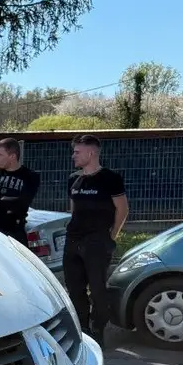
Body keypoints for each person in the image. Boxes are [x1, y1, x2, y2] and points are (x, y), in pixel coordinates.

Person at [62, 135, 128, 345]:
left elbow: (122, 209)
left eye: (77, 152)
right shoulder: (74, 179)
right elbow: (73, 210)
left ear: (91, 153)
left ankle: (98, 328)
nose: (73, 156)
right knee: (75, 288)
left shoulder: (110, 178)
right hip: (73, 241)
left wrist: (112, 235)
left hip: (97, 241)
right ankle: (82, 330)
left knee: (98, 288)